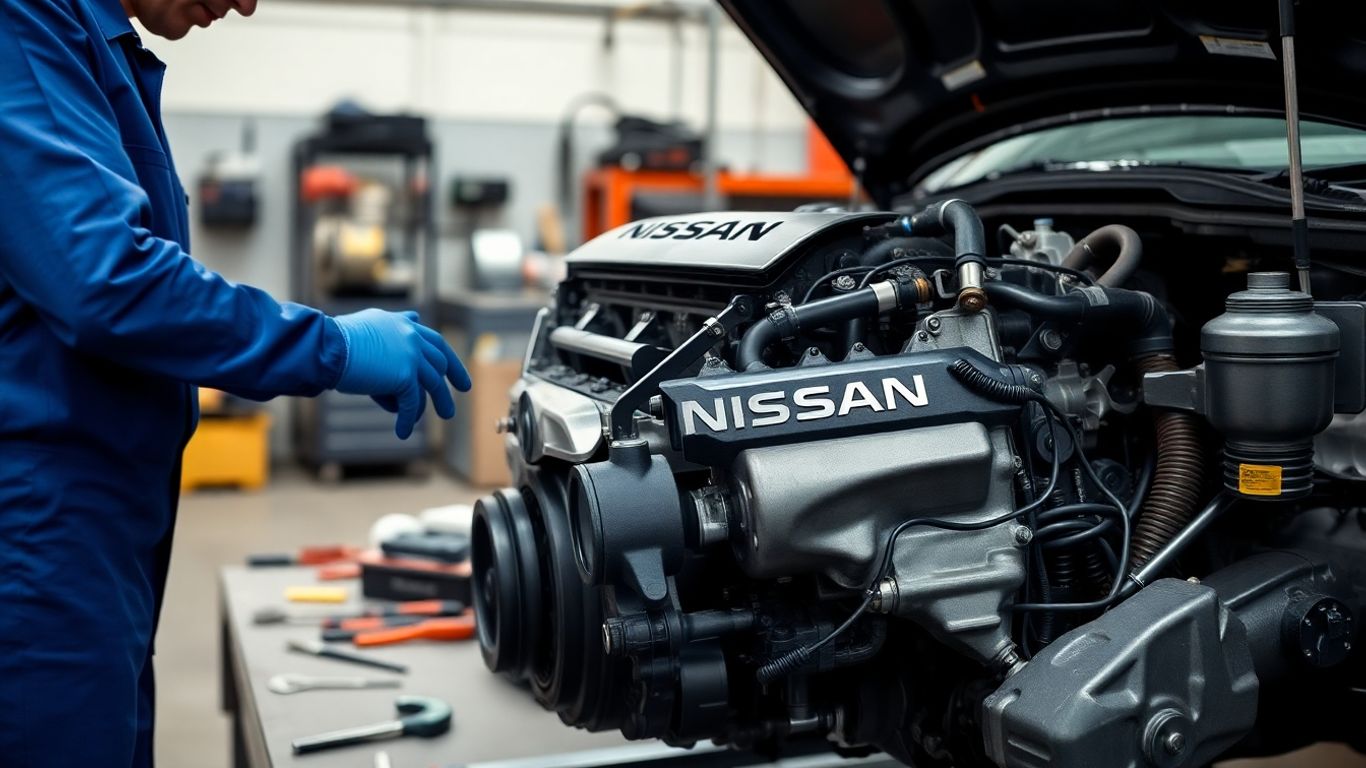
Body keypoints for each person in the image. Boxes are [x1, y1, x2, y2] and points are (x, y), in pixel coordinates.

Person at [0, 0, 471, 764]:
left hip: (100, 530)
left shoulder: (103, 51)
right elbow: (107, 280)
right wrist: (332, 345)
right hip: (37, 535)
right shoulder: (25, 20)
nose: (247, 2)